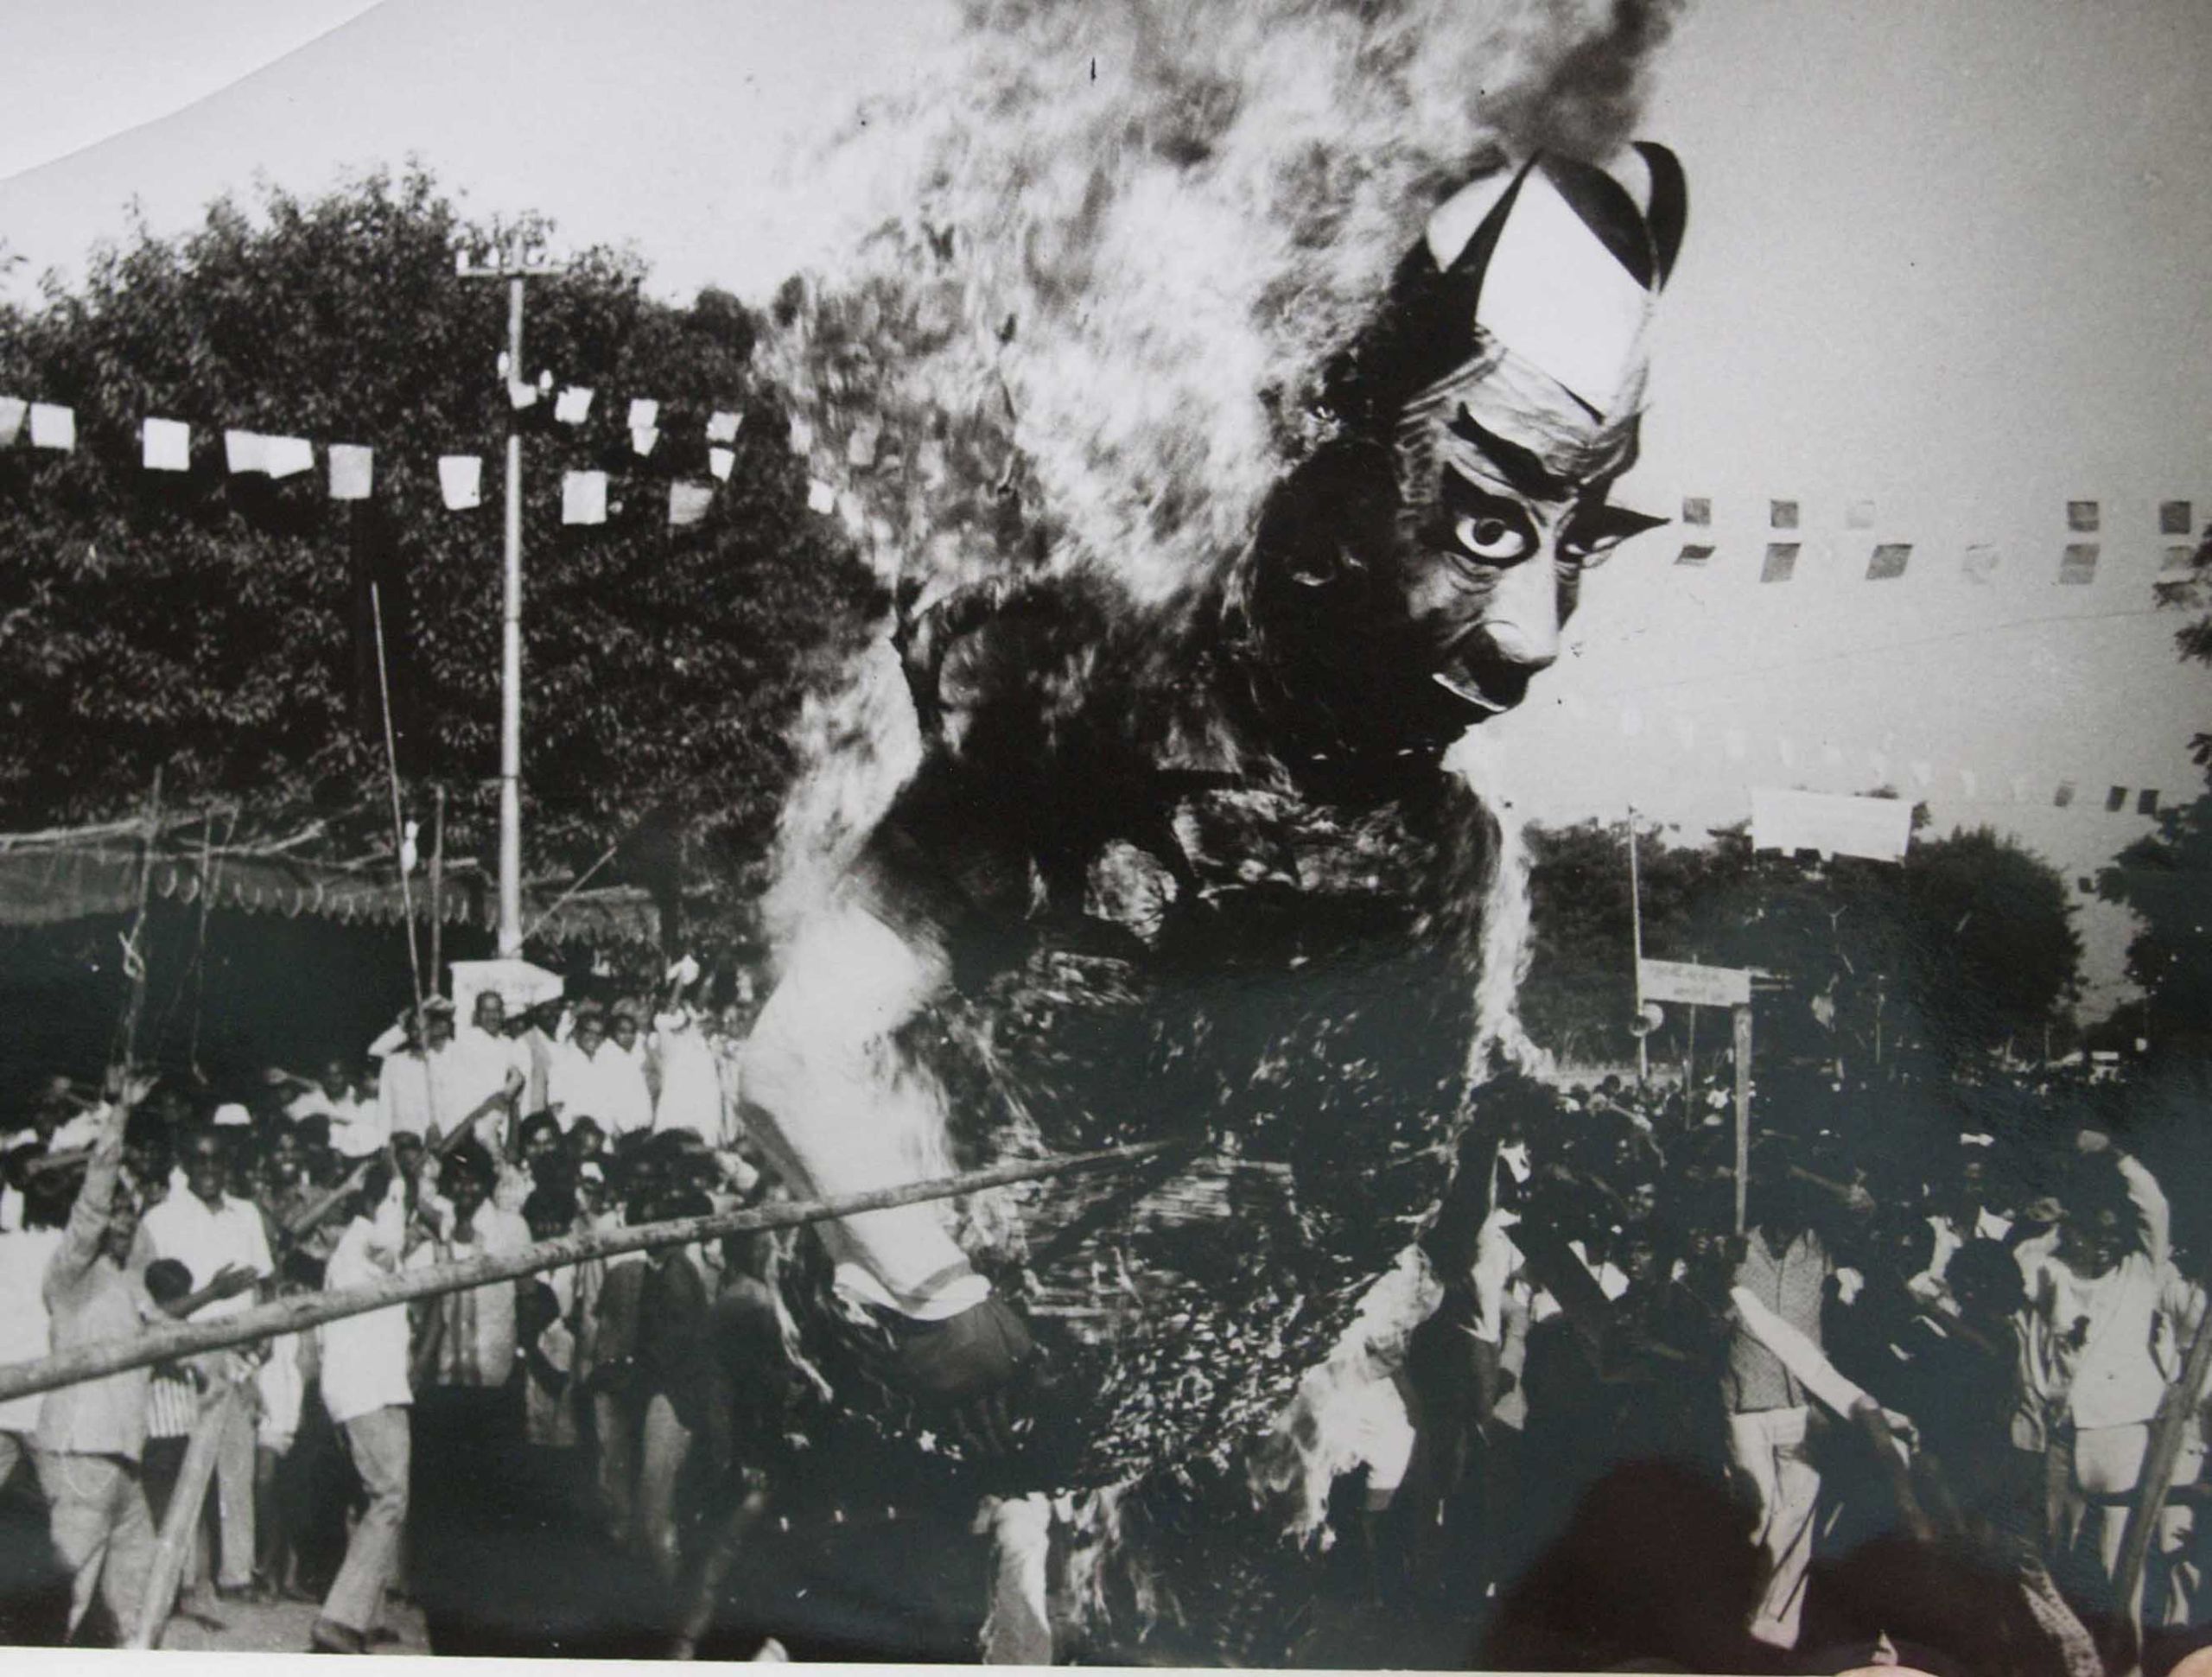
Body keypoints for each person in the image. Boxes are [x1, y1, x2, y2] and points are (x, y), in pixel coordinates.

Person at [34, 1097, 168, 1641]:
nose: (124, 1219)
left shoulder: (126, 1286)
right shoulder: (72, 1279)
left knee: (139, 1599)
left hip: (124, 1458)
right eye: (116, 1211)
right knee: (65, 1598)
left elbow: (170, 1332)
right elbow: (90, 1209)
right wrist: (118, 1119)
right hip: (81, 1452)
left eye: (130, 1211)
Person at [140, 1121, 274, 1605]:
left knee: (236, 1469)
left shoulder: (247, 1214)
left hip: (239, 1352)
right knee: (184, 1472)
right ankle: (179, 1579)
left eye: (217, 1159)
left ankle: (236, 1574)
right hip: (184, 1356)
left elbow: (265, 1281)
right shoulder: (160, 1219)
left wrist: (264, 1336)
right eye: (200, 1159)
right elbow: (150, 1301)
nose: (210, 1169)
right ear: (185, 1163)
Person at [1722, 1175, 1835, 1653]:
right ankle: (1742, 1610)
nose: (1789, 1220)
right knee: (1759, 1516)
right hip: (1745, 1399)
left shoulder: (1822, 1252)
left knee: (1796, 1522)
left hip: (1803, 1403)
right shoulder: (1733, 1250)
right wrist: (1718, 1269)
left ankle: (1773, 1631)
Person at [312, 1159, 414, 1655]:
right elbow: (389, 1239)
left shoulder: (360, 1249)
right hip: (367, 1386)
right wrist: (400, 1194)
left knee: (375, 1498)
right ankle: (341, 1617)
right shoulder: (368, 1241)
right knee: (389, 1495)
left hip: (371, 1383)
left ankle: (364, 1614)